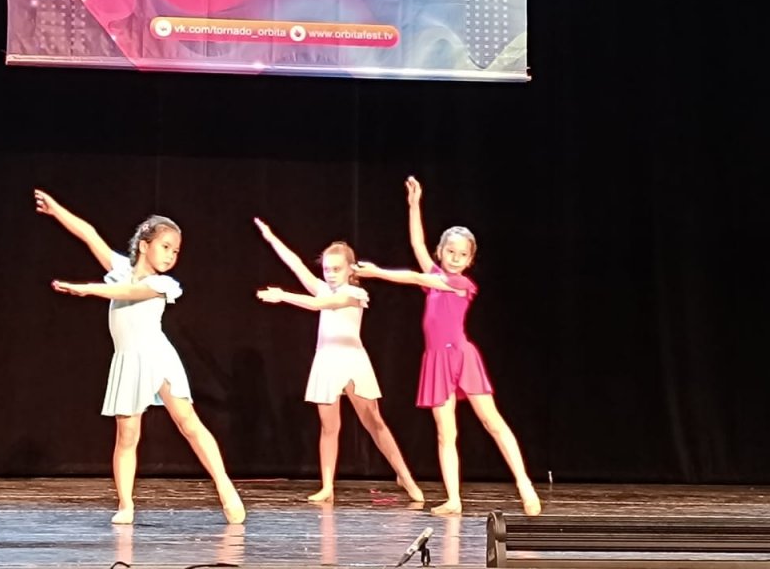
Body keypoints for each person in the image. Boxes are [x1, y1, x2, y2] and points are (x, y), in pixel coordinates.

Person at [36, 188, 245, 525]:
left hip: (157, 355)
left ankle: (225, 488)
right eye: (166, 247)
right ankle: (126, 504)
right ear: (145, 245)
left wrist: (86, 289)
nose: (171, 255)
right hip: (128, 361)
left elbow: (129, 292)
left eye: (176, 251)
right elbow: (89, 234)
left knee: (188, 422)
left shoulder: (164, 284)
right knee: (127, 435)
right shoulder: (121, 267)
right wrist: (56, 209)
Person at [355, 177, 541, 516]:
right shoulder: (437, 277)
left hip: (461, 357)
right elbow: (417, 244)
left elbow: (418, 277)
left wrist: (378, 272)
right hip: (436, 361)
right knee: (445, 432)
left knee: (492, 421)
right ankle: (453, 498)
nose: (455, 258)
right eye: (450, 252)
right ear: (441, 253)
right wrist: (414, 205)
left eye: (462, 254)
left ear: (470, 260)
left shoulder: (459, 283)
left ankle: (524, 484)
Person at [254, 218, 424, 504]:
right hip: (327, 361)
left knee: (374, 422)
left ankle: (405, 477)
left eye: (336, 269)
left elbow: (320, 305)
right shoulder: (324, 288)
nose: (330, 275)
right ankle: (327, 486)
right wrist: (271, 238)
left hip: (352, 360)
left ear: (350, 269)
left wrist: (283, 296)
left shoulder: (355, 294)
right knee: (329, 427)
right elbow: (296, 264)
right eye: (326, 270)